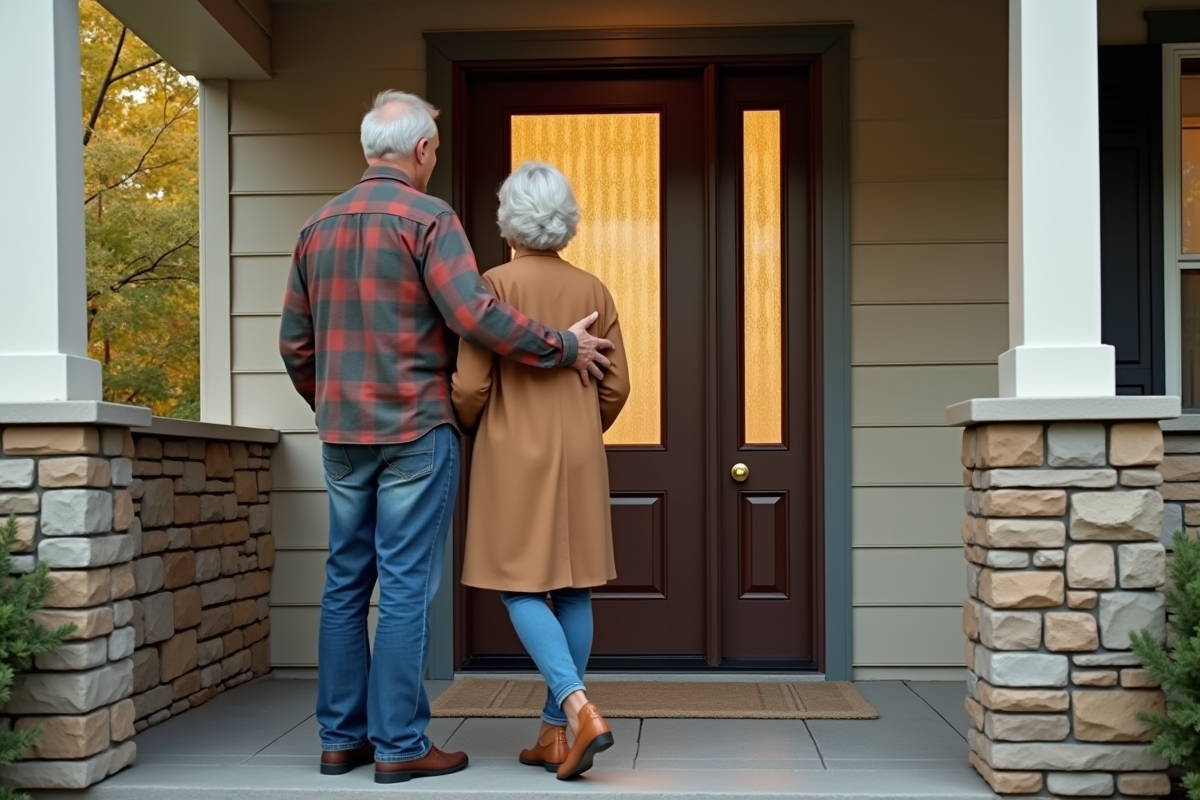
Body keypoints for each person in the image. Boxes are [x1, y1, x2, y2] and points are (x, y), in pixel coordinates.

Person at [278, 92, 613, 785]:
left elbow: (294, 344)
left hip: (343, 432)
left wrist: (329, 402)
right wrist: (559, 346)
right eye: (435, 148)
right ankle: (399, 744)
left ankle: (340, 740)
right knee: (403, 585)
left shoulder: (316, 226)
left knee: (345, 581)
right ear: (422, 149)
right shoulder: (429, 219)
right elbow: (474, 315)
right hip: (414, 429)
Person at [452, 161, 630, 781]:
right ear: (566, 220)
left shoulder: (492, 285)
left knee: (521, 587)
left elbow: (470, 387)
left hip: (512, 453)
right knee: (574, 588)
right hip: (579, 451)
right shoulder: (594, 290)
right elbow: (617, 387)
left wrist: (475, 424)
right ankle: (555, 735)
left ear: (508, 221)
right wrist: (580, 423)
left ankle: (578, 709)